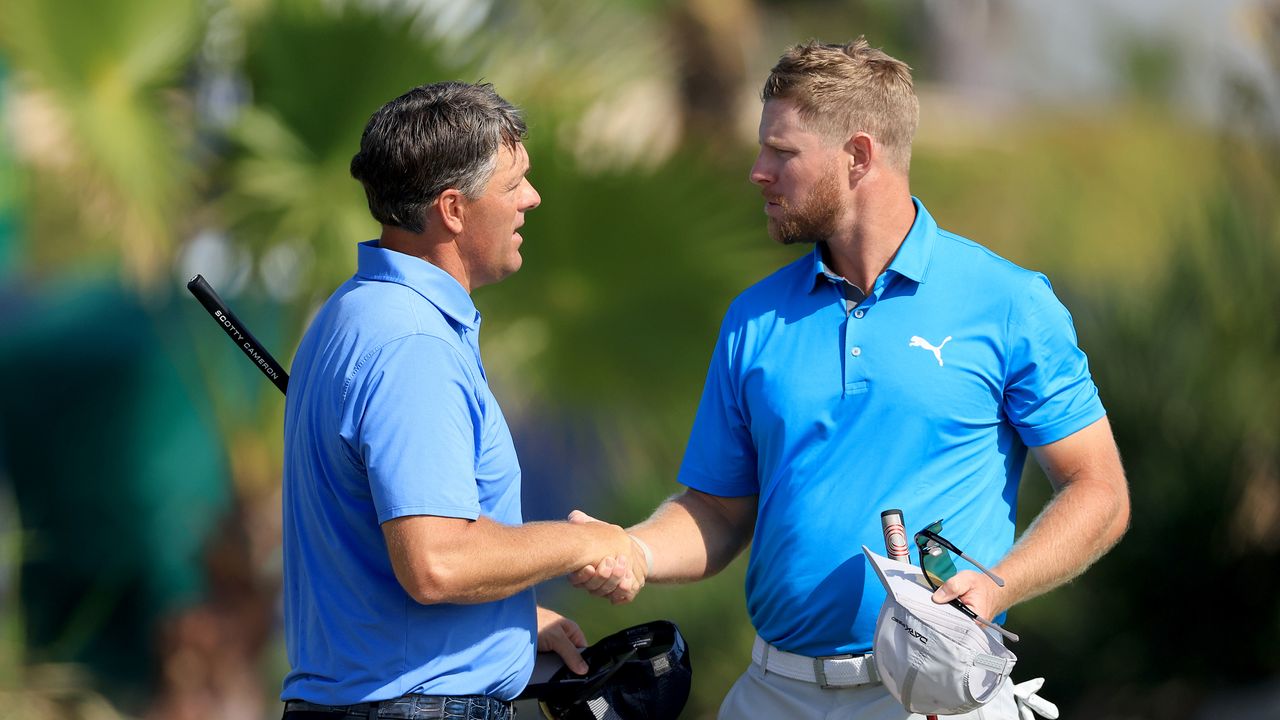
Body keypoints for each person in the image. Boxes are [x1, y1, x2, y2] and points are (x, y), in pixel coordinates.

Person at [572, 38, 1130, 719]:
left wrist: (995, 584)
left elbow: (1098, 489)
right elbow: (718, 513)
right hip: (772, 694)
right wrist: (631, 549)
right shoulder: (755, 318)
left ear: (859, 156)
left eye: (782, 152)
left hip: (931, 696)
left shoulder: (1009, 302)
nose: (757, 171)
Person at [280, 81, 643, 720]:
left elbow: (386, 552)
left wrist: (509, 618)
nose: (532, 199)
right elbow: (437, 562)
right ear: (453, 208)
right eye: (514, 185)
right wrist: (584, 543)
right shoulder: (412, 344)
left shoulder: (353, 313)